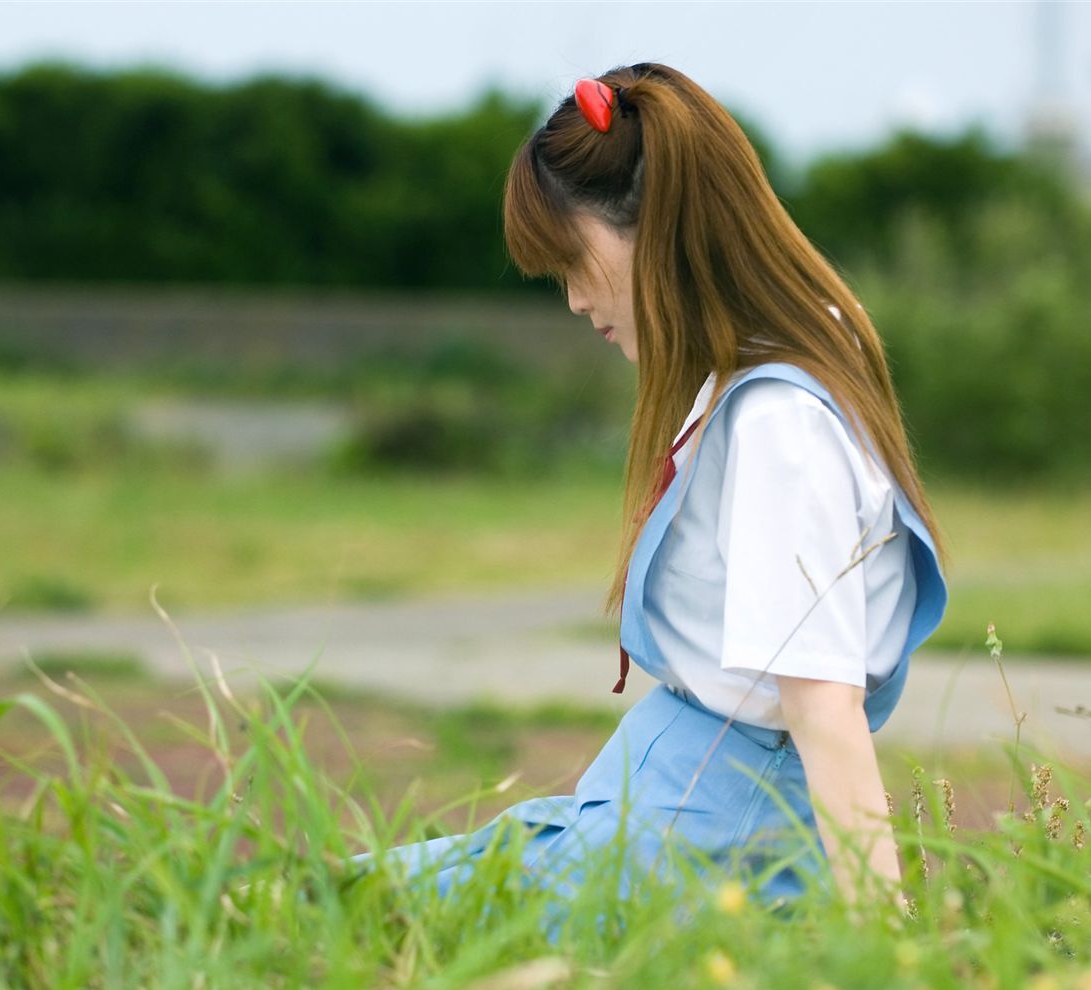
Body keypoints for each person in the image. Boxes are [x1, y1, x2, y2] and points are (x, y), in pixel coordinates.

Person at [359, 62, 951, 923]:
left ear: (663, 231)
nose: (573, 299)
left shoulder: (778, 420)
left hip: (694, 846)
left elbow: (823, 704)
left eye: (575, 262)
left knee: (328, 905)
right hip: (665, 821)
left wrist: (887, 940)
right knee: (336, 893)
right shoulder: (767, 377)